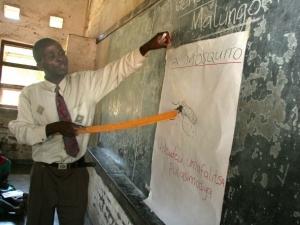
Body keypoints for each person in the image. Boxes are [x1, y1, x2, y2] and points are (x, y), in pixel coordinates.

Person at [8, 32, 171, 225]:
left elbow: (117, 70)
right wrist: (54, 128)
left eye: (61, 52)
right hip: (44, 174)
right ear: (40, 65)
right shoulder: (30, 94)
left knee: (74, 221)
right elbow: (20, 130)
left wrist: (148, 47)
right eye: (52, 56)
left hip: (75, 174)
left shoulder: (85, 83)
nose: (60, 57)